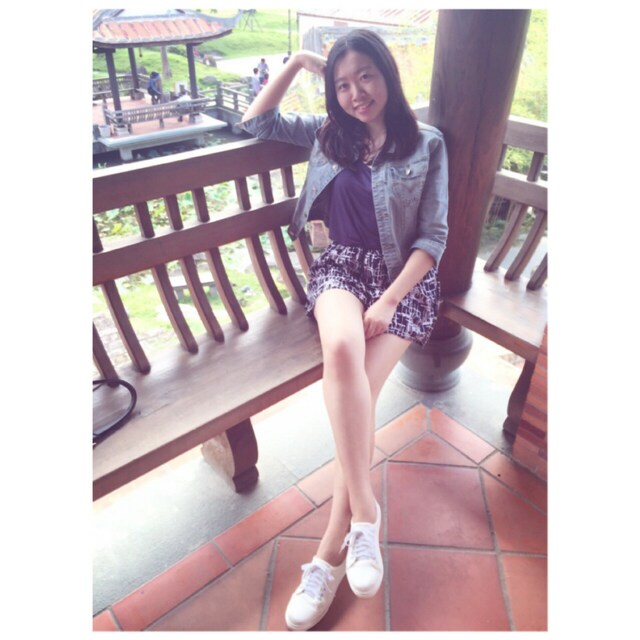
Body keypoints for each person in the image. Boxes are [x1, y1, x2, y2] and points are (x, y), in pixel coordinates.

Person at [241, 29, 448, 631]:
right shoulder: (328, 134)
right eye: (342, 84)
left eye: (366, 77)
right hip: (340, 269)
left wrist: (388, 300)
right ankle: (366, 515)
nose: (356, 93)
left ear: (387, 75)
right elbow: (257, 123)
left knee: (354, 408)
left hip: (401, 283)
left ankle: (327, 559)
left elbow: (432, 238)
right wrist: (299, 62)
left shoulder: (426, 143)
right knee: (340, 347)